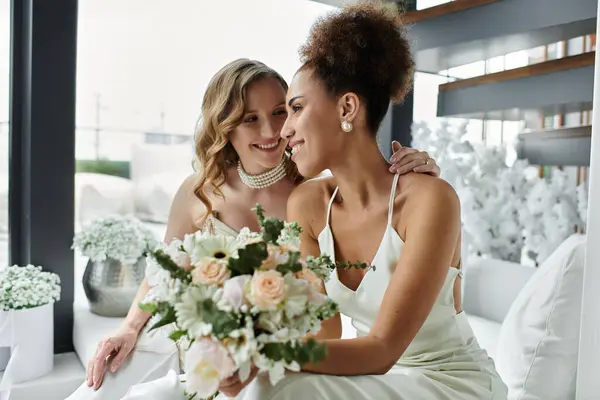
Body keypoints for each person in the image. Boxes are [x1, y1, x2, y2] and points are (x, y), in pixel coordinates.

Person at [65, 55, 440, 399]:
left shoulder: (316, 194)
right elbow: (165, 269)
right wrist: (129, 328)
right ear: (225, 127)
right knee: (100, 389)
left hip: (264, 356)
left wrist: (416, 177)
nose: (272, 130)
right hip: (185, 337)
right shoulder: (199, 191)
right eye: (250, 119)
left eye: (281, 112)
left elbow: (370, 211)